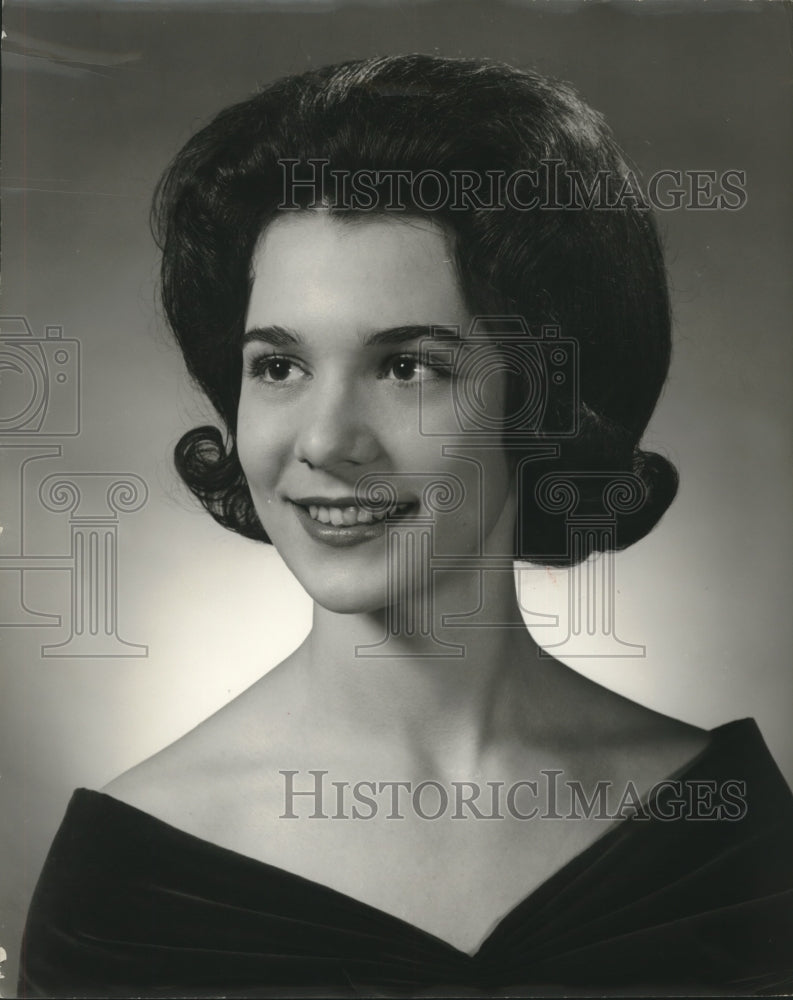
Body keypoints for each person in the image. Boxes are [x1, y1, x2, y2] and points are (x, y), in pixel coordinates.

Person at [17, 54, 793, 997]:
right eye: (277, 367)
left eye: (407, 367)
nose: (327, 441)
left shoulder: (728, 841)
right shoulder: (123, 886)